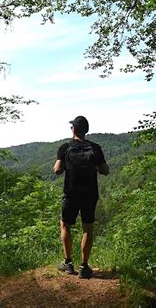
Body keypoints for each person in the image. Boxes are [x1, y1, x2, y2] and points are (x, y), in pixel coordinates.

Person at [53, 116, 109, 278]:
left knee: (65, 225)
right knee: (88, 228)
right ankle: (84, 267)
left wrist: (63, 164)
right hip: (90, 194)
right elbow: (105, 170)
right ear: (86, 130)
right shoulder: (95, 148)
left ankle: (68, 263)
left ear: (73, 129)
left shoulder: (65, 147)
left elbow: (57, 170)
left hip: (71, 193)